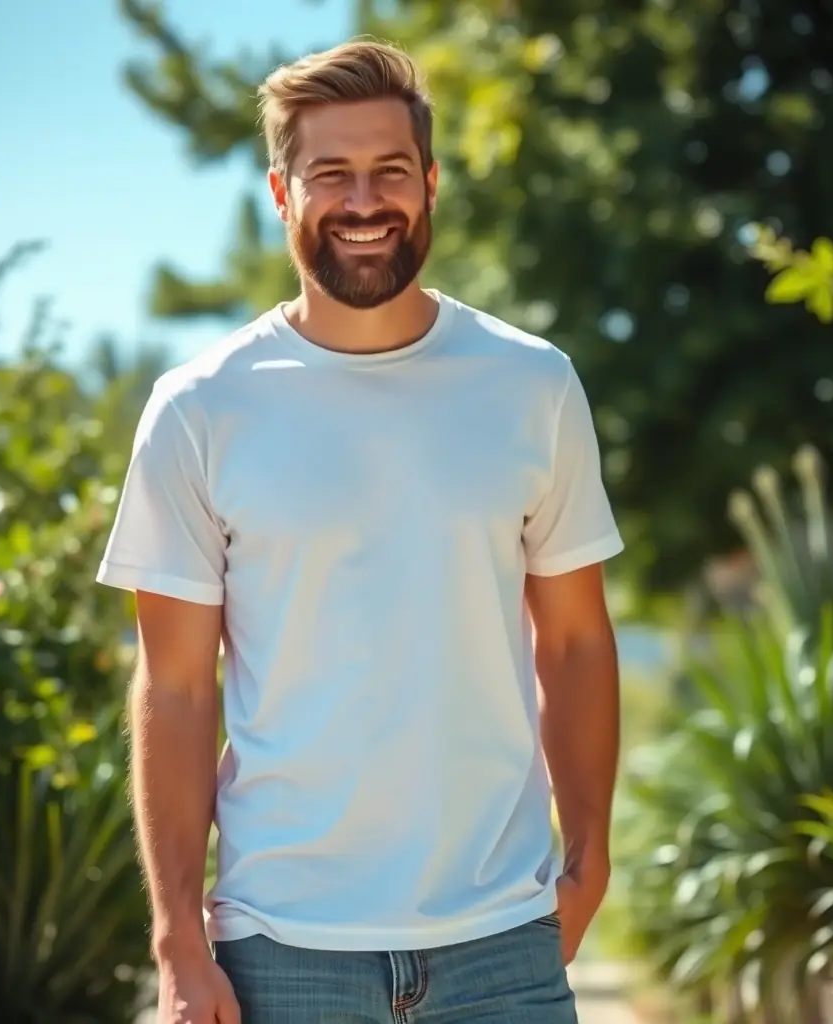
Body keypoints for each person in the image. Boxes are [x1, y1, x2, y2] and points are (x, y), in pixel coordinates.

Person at [98, 37, 624, 1024]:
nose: (362, 201)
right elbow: (172, 685)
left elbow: (577, 638)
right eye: (329, 174)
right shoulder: (199, 408)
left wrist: (586, 863)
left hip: (501, 947)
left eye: (389, 170)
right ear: (279, 193)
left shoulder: (533, 385)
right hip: (280, 956)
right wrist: (177, 940)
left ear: (429, 183)